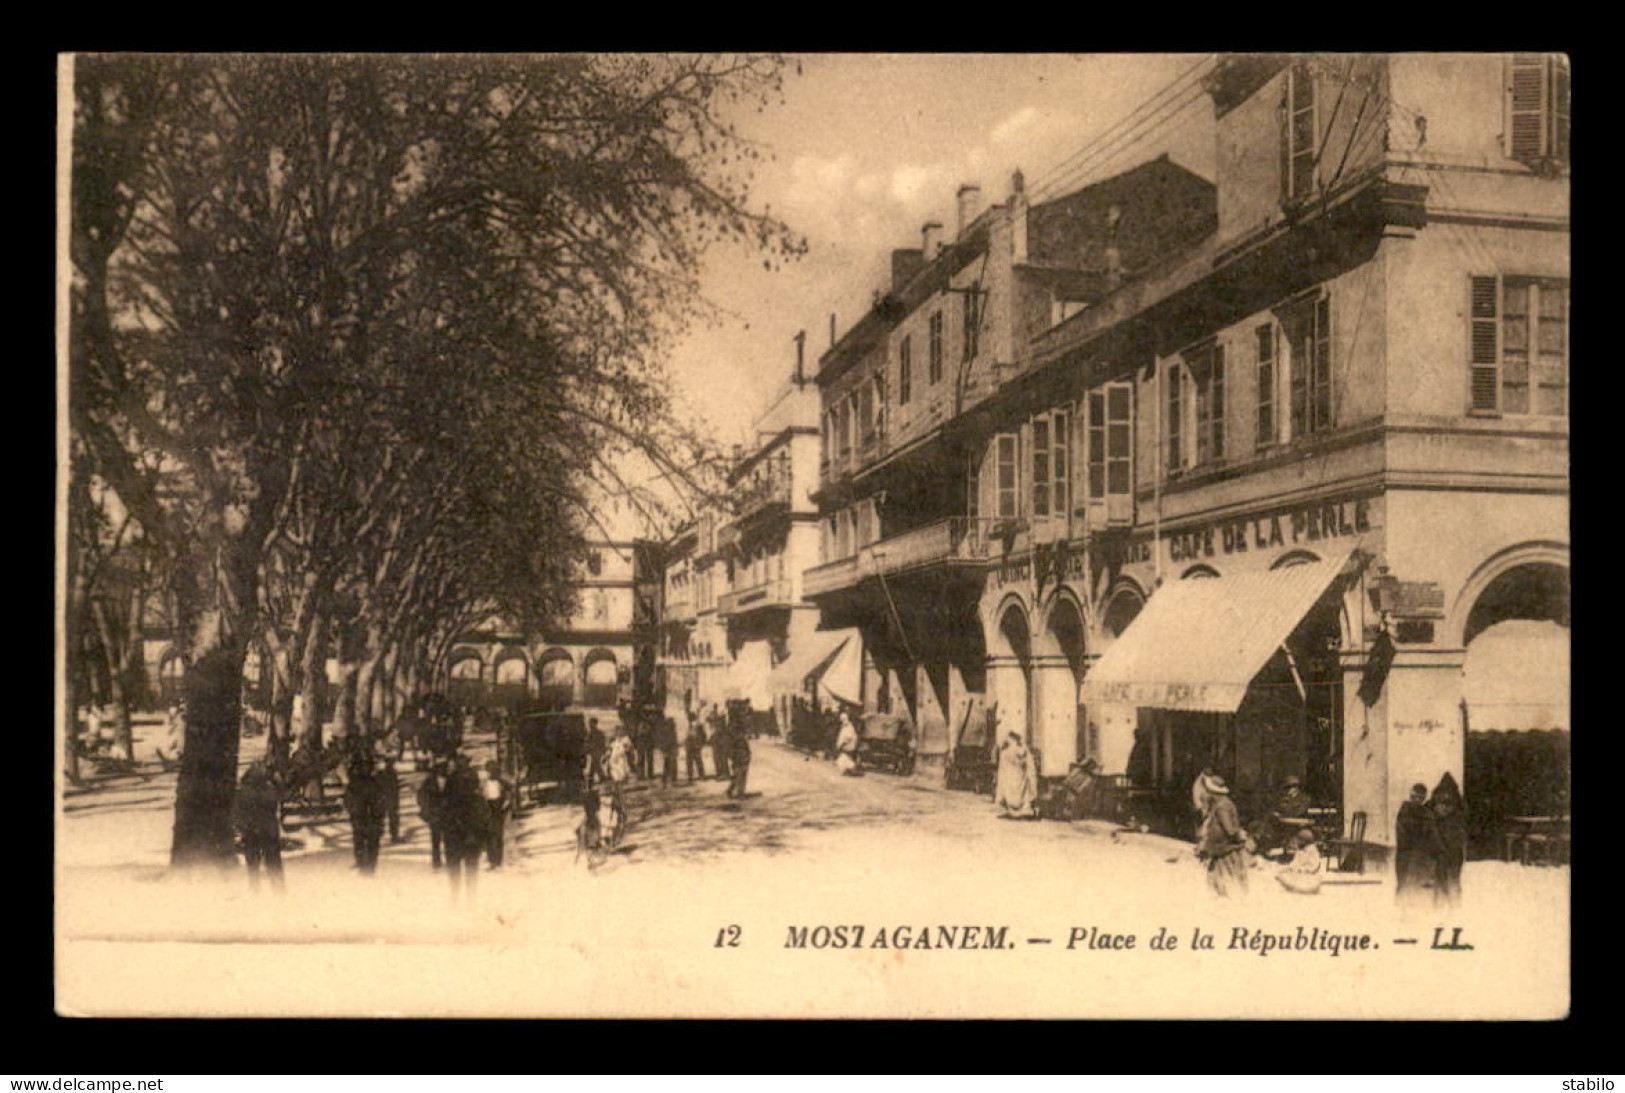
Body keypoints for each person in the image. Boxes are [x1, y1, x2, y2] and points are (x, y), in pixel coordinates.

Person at [1197, 772, 1250, 897]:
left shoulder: (1222, 806)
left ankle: (1230, 894)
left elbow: (1229, 829)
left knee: (1225, 874)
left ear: (1215, 793)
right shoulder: (1222, 803)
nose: (1208, 794)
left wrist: (1237, 835)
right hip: (1223, 845)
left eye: (1209, 791)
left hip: (1224, 845)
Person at [232, 763, 284, 890]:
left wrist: (239, 829)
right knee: (273, 862)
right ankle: (278, 889)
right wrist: (276, 781)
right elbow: (281, 794)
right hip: (269, 830)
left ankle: (255, 888)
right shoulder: (269, 790)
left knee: (253, 862)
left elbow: (237, 813)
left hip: (251, 830)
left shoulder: (242, 792)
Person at [440, 754, 486, 896]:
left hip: (457, 835)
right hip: (467, 836)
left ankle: (457, 898)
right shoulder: (476, 798)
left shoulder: (451, 787)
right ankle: (468, 899)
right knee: (469, 869)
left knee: (456, 869)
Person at [342, 756, 388, 874]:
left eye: (368, 766)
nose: (366, 769)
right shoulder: (355, 783)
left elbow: (382, 800)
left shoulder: (376, 783)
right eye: (364, 766)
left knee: (372, 842)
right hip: (360, 817)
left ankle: (370, 866)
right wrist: (354, 811)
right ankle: (362, 865)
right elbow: (348, 800)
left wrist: (379, 814)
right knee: (360, 842)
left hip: (372, 818)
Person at [1429, 772, 1467, 908]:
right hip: (1452, 848)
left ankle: (1441, 906)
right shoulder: (1460, 808)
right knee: (1452, 878)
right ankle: (1453, 906)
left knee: (1441, 878)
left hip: (1442, 848)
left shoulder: (1432, 807)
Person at [1394, 782, 1435, 907]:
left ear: (1423, 798)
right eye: (1414, 797)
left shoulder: (1427, 814)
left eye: (1420, 798)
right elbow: (1401, 833)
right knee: (1404, 881)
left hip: (1421, 856)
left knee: (1418, 884)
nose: (1417, 800)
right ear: (1411, 796)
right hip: (1406, 854)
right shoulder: (1405, 811)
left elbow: (1431, 834)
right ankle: (1403, 909)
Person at [1252, 775, 1312, 859]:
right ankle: (1262, 844)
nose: (1288, 790)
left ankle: (1289, 848)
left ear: (1296, 788)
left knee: (1303, 835)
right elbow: (1277, 808)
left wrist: (1283, 813)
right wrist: (1277, 813)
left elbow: (1298, 812)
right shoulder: (1284, 799)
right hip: (1284, 825)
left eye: (1290, 788)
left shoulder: (1304, 799)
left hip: (1299, 826)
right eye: (1286, 788)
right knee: (1267, 823)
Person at [994, 730, 1039, 819]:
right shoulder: (1011, 749)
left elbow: (1024, 760)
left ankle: (1021, 809)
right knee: (1012, 786)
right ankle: (1016, 810)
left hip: (1017, 774)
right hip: (1013, 773)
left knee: (1016, 787)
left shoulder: (1016, 748)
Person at [417, 759, 448, 869]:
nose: (443, 770)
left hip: (448, 815)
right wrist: (426, 810)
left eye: (445, 767)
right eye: (441, 768)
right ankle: (436, 862)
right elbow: (421, 796)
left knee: (449, 839)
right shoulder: (429, 782)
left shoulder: (452, 780)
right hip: (435, 814)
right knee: (435, 839)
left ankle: (450, 861)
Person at [481, 760, 509, 869]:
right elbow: (480, 796)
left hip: (498, 809)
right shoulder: (484, 784)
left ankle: (498, 861)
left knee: (498, 835)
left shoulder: (502, 783)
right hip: (487, 809)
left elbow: (509, 796)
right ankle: (491, 861)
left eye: (494, 771)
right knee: (488, 835)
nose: (492, 773)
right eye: (490, 771)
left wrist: (505, 805)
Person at [377, 754, 402, 844]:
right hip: (389, 797)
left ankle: (380, 836)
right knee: (392, 817)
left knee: (382, 817)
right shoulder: (389, 772)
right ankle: (394, 836)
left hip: (385, 798)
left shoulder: (381, 772)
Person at [726, 722, 752, 799]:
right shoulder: (733, 741)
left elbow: (747, 750)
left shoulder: (743, 740)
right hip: (737, 760)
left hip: (743, 759)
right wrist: (732, 758)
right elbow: (729, 751)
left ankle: (740, 793)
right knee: (738, 776)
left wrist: (748, 757)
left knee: (741, 776)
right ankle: (733, 791)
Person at [834, 709, 861, 777]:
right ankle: (850, 769)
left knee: (842, 761)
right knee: (844, 760)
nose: (842, 721)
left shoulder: (849, 727)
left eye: (843, 719)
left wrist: (841, 744)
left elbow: (848, 737)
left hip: (848, 746)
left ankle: (851, 770)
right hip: (846, 747)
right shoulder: (845, 727)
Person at [685, 714, 708, 782]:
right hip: (689, 746)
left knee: (698, 761)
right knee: (689, 762)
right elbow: (686, 737)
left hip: (696, 746)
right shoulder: (688, 726)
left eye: (692, 719)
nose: (691, 721)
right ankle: (690, 776)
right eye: (690, 720)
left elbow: (704, 736)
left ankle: (702, 775)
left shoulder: (699, 726)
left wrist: (701, 744)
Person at [657, 714, 679, 787]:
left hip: (671, 749)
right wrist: (664, 750)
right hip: (669, 749)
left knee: (669, 765)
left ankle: (669, 780)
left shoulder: (670, 732)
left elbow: (674, 741)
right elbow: (664, 742)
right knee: (669, 765)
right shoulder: (667, 732)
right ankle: (668, 780)